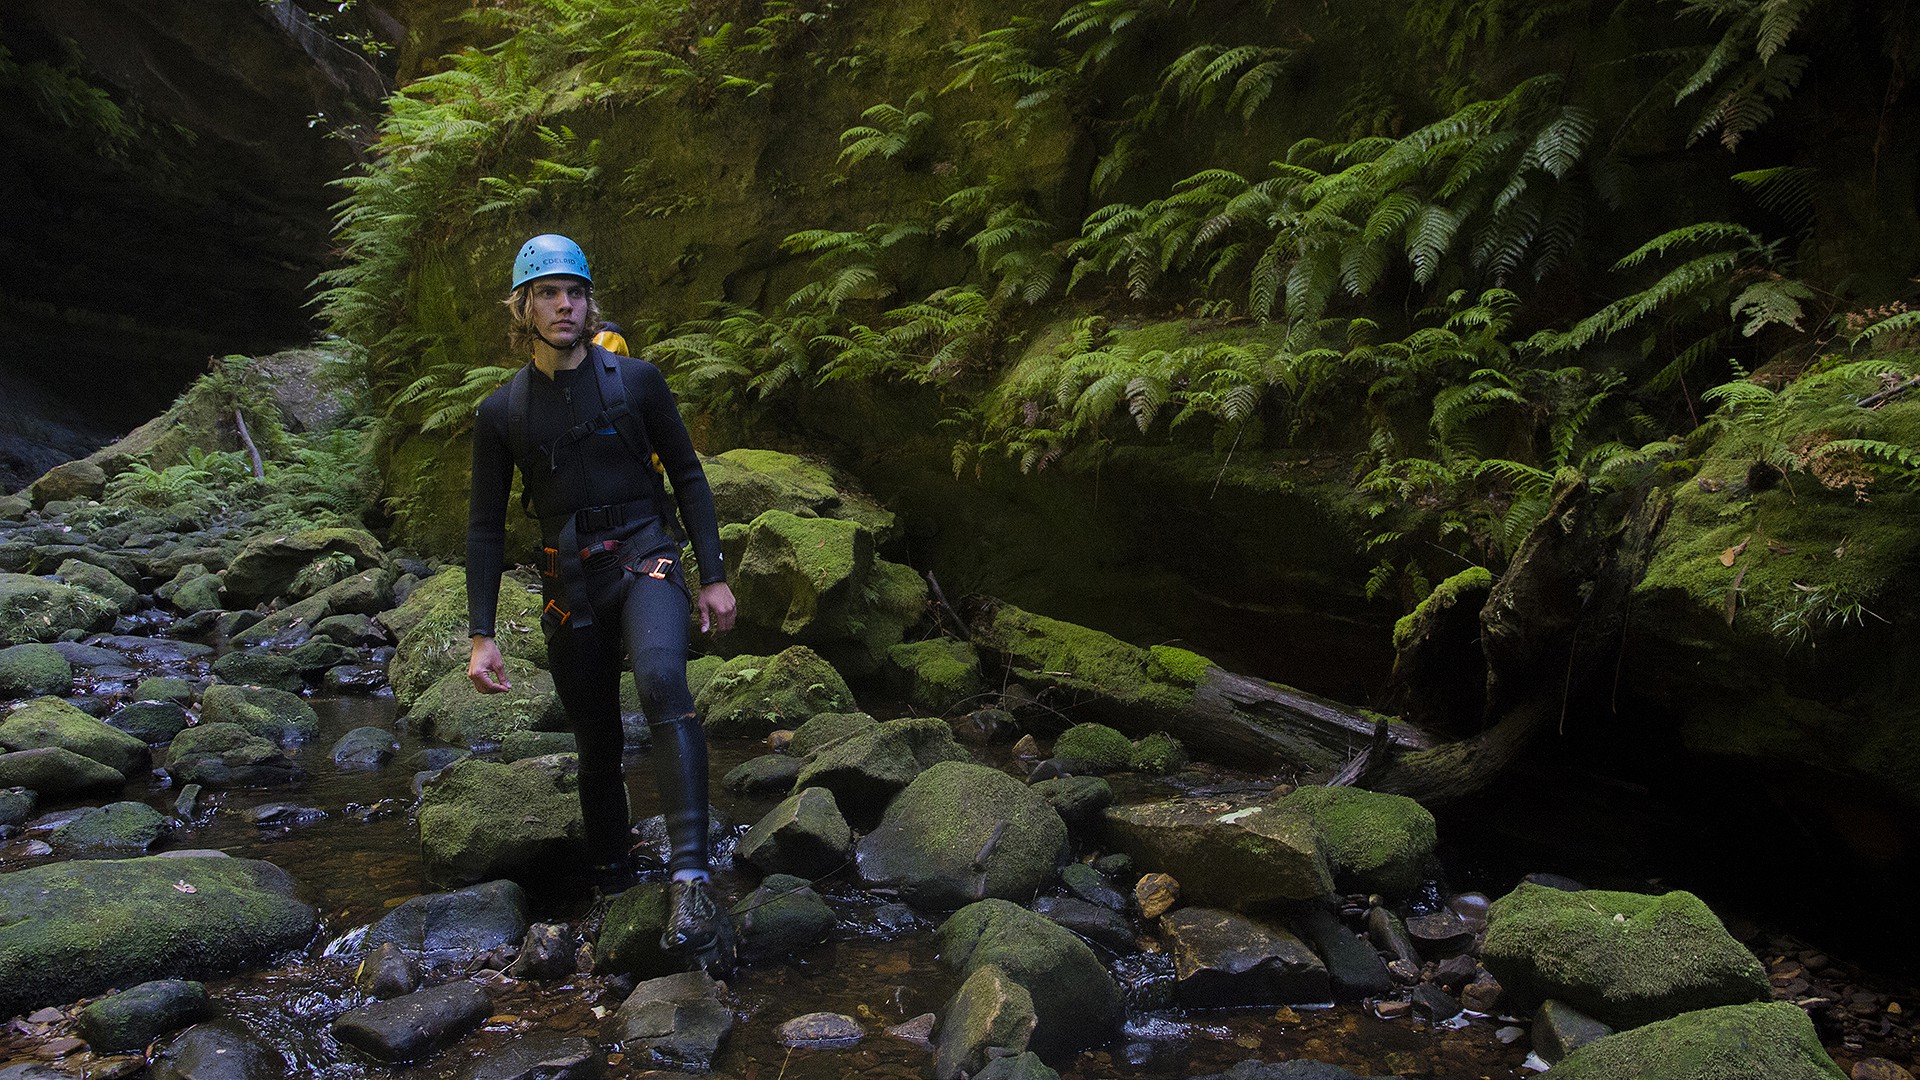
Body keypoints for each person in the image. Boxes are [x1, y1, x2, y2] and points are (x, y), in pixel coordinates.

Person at [465, 233, 737, 967]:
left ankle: (689, 877)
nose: (564, 304)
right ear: (523, 308)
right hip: (567, 580)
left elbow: (687, 476)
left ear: (590, 304)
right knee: (596, 745)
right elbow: (486, 528)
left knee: (660, 679)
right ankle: (613, 891)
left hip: (647, 556)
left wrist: (711, 575)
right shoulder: (501, 413)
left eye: (574, 292)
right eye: (548, 293)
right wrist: (480, 632)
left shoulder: (638, 382)